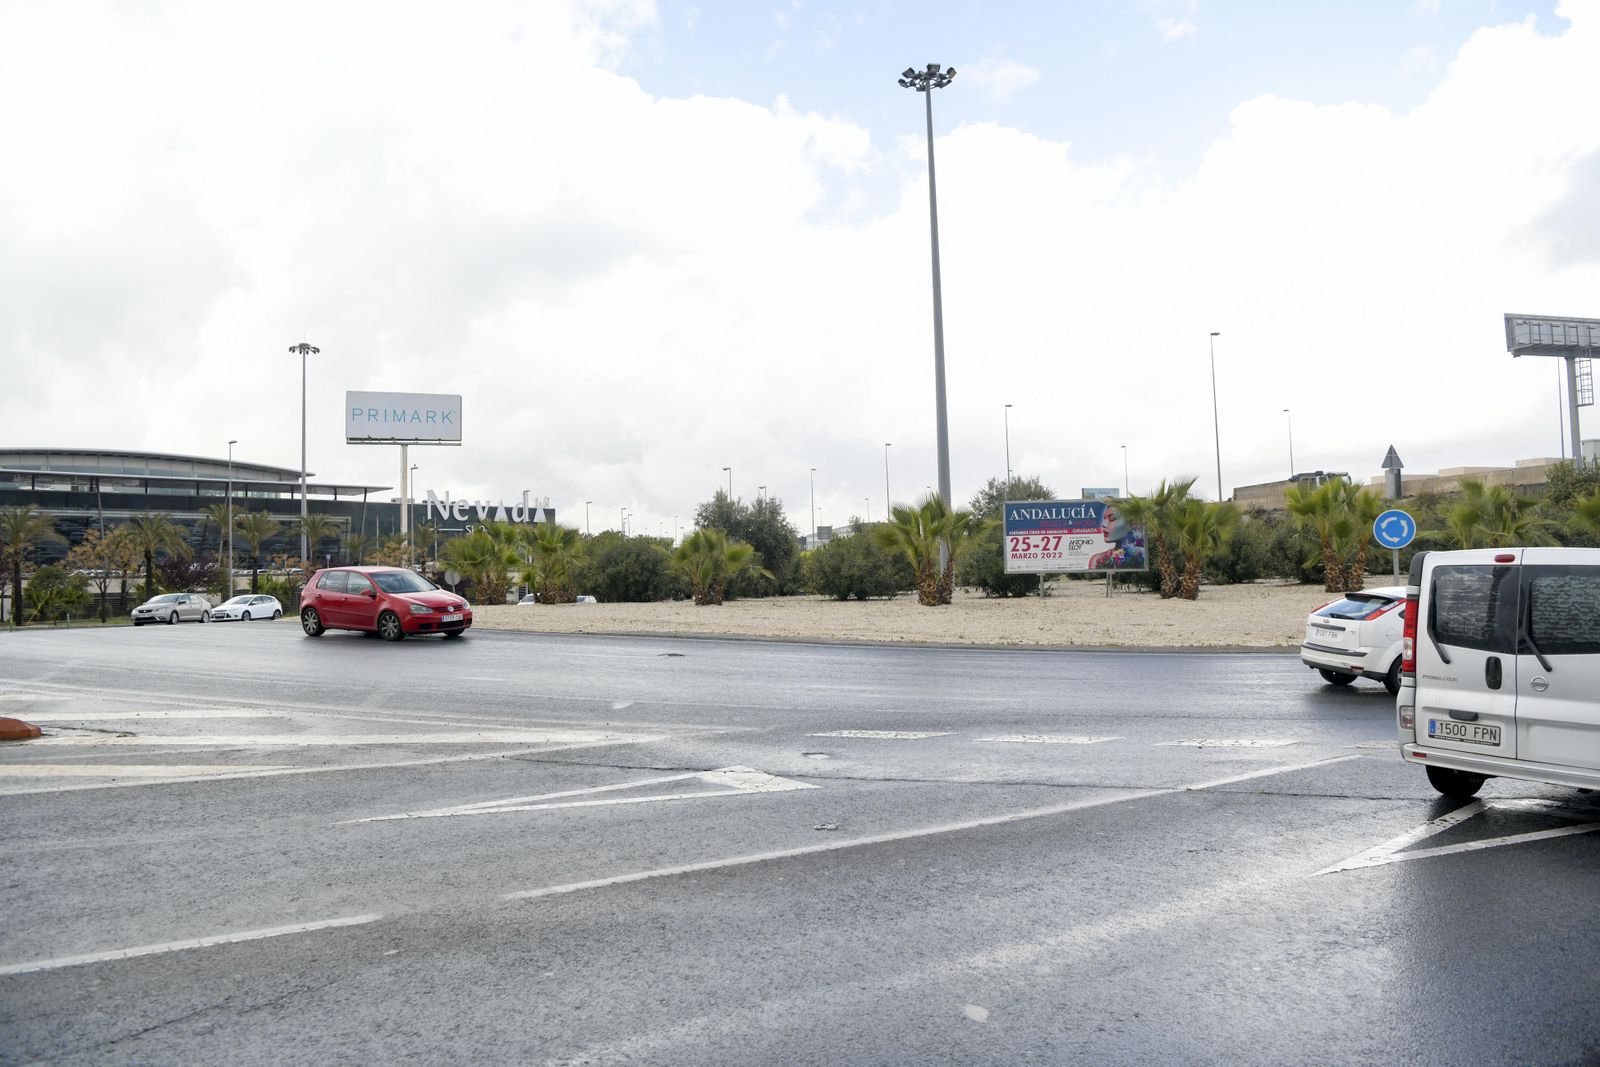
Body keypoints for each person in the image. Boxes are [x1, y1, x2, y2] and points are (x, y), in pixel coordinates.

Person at [1088, 503, 1146, 570]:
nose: (1103, 524)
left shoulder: (1142, 554)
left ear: (1130, 524)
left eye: (1112, 519)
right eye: (1104, 519)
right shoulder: (1097, 560)